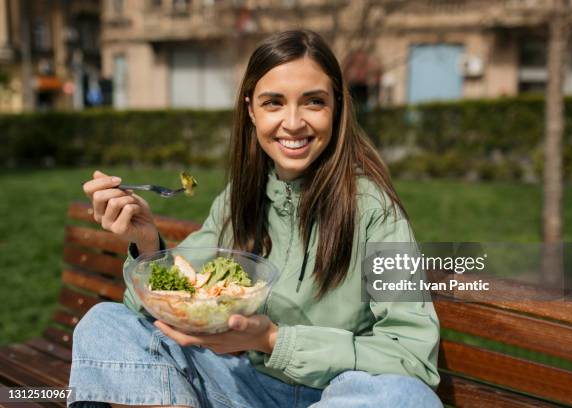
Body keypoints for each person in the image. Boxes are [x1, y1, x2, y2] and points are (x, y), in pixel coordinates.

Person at [70, 29, 442, 408]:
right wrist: (147, 243)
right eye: (273, 103)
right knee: (104, 326)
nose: (293, 122)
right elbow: (161, 306)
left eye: (313, 102)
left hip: (339, 395)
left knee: (404, 397)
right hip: (241, 388)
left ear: (337, 108)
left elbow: (412, 355)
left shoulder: (376, 211)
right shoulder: (238, 199)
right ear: (251, 110)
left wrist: (272, 341)